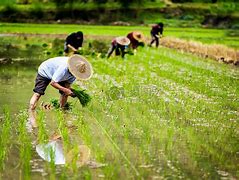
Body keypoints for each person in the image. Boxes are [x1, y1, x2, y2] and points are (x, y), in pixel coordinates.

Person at [29, 55, 93, 127]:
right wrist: (65, 90)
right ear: (72, 69)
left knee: (64, 94)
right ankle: (31, 113)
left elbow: (67, 85)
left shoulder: (74, 74)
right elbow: (53, 83)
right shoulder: (63, 68)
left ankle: (62, 111)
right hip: (45, 71)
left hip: (58, 76)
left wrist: (69, 91)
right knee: (38, 93)